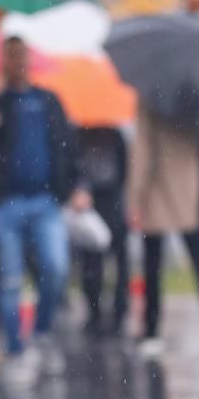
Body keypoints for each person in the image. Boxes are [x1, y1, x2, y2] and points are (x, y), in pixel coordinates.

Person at [0, 36, 90, 384]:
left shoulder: (48, 101)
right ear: (2, 63)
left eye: (21, 57)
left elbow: (67, 147)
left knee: (55, 268)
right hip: (5, 203)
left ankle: (39, 331)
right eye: (10, 58)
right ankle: (14, 346)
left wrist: (77, 185)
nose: (17, 64)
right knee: (9, 280)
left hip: (45, 201)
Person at [128, 106, 199, 359]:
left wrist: (134, 197)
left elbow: (143, 150)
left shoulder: (150, 101)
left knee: (153, 266)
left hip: (157, 188)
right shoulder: (194, 100)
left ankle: (152, 332)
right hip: (189, 187)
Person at [76, 127, 129, 336]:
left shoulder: (115, 135)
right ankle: (95, 310)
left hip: (111, 199)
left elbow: (124, 169)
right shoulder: (80, 136)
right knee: (92, 260)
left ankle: (117, 310)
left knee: (116, 260)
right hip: (92, 201)